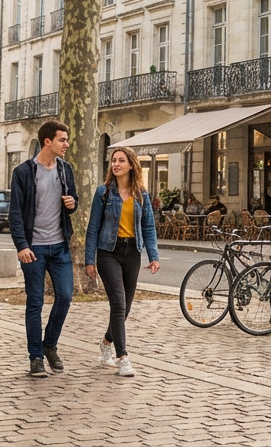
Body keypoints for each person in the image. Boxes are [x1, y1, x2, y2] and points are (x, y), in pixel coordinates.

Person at [9, 119, 78, 378]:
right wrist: (21, 246)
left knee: (66, 296)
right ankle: (36, 357)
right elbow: (15, 214)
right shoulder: (24, 172)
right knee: (35, 303)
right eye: (62, 140)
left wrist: (72, 203)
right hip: (34, 248)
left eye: (67, 139)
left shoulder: (65, 169)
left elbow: (73, 202)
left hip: (60, 246)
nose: (66, 144)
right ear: (47, 141)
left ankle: (49, 344)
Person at [85, 146, 161, 378]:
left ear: (131, 165)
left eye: (121, 160)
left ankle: (107, 341)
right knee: (118, 304)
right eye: (113, 161)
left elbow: (148, 226)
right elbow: (93, 228)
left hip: (132, 253)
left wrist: (154, 255)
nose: (116, 164)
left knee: (125, 307)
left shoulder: (142, 194)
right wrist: (90, 260)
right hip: (108, 251)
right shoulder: (103, 193)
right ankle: (123, 358)